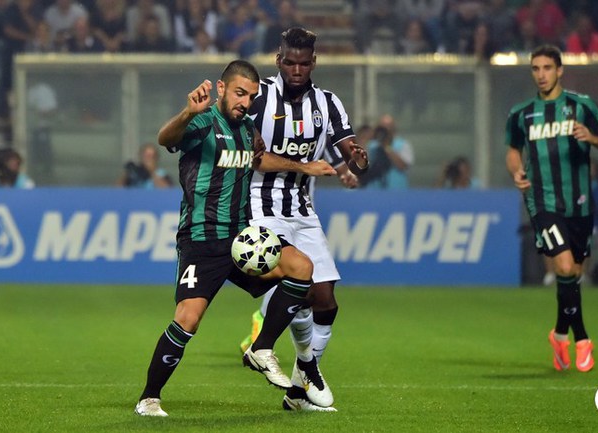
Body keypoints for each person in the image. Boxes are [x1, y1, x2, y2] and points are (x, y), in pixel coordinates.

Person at [134, 59, 338, 417]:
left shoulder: (247, 129)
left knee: (302, 268)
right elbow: (165, 138)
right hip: (202, 239)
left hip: (242, 240)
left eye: (251, 97)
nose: (245, 102)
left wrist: (305, 167)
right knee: (188, 319)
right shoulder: (202, 122)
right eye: (240, 93)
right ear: (222, 88)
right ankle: (149, 398)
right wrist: (187, 112)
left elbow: (260, 161)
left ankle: (261, 348)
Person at [243, 27, 369, 412]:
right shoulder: (259, 96)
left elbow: (348, 151)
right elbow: (253, 158)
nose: (296, 70)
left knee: (326, 301)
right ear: (278, 60)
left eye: (303, 63)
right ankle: (294, 362)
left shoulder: (328, 103)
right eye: (289, 62)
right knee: (298, 285)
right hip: (261, 205)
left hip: (302, 208)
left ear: (313, 62)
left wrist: (357, 161)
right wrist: (305, 166)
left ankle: (299, 390)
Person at [505, 45, 598, 373]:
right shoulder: (522, 113)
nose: (541, 74)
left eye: (547, 68)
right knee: (566, 266)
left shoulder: (581, 105)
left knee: (573, 274)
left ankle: (559, 334)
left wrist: (593, 138)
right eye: (535, 68)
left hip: (580, 204)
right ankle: (582, 338)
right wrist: (516, 170)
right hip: (543, 202)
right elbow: (513, 150)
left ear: (560, 71)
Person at [360, 114, 413, 189]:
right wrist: (366, 138)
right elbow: (360, 166)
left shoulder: (403, 144)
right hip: (374, 190)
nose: (385, 129)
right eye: (382, 126)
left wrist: (386, 146)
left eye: (388, 126)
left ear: (394, 127)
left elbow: (403, 166)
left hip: (397, 189)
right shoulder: (372, 145)